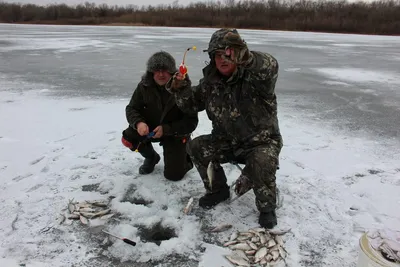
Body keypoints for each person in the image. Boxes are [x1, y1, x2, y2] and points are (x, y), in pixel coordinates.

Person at [167, 29, 283, 229]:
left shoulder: (256, 78)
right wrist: (180, 87)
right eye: (218, 55)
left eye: (228, 53)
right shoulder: (210, 83)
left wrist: (247, 57)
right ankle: (217, 190)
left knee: (262, 160)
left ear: (238, 53)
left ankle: (266, 207)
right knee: (196, 147)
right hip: (227, 141)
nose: (223, 59)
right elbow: (190, 105)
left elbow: (271, 66)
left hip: (260, 142)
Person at [121, 51, 198, 181]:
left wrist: (166, 129)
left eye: (165, 70)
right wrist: (139, 123)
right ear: (151, 72)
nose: (161, 74)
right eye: (157, 70)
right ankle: (151, 157)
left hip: (174, 133)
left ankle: (185, 155)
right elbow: (131, 108)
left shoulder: (183, 89)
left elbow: (191, 122)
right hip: (150, 129)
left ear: (172, 71)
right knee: (128, 138)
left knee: (174, 176)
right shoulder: (144, 86)